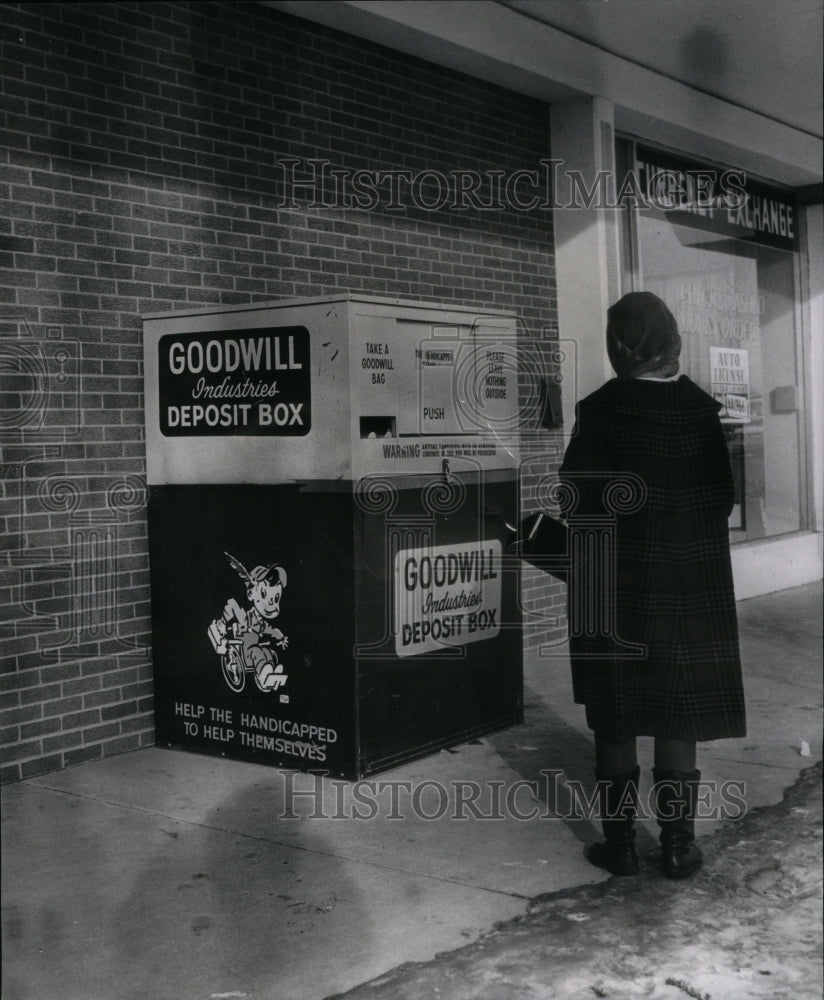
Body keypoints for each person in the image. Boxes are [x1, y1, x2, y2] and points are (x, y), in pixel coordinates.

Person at [557, 291, 746, 879]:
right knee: (676, 711)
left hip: (612, 585)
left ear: (620, 347)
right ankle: (676, 845)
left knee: (615, 712)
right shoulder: (700, 412)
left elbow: (575, 500)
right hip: (687, 583)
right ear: (672, 340)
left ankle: (618, 848)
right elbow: (722, 500)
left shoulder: (600, 410)